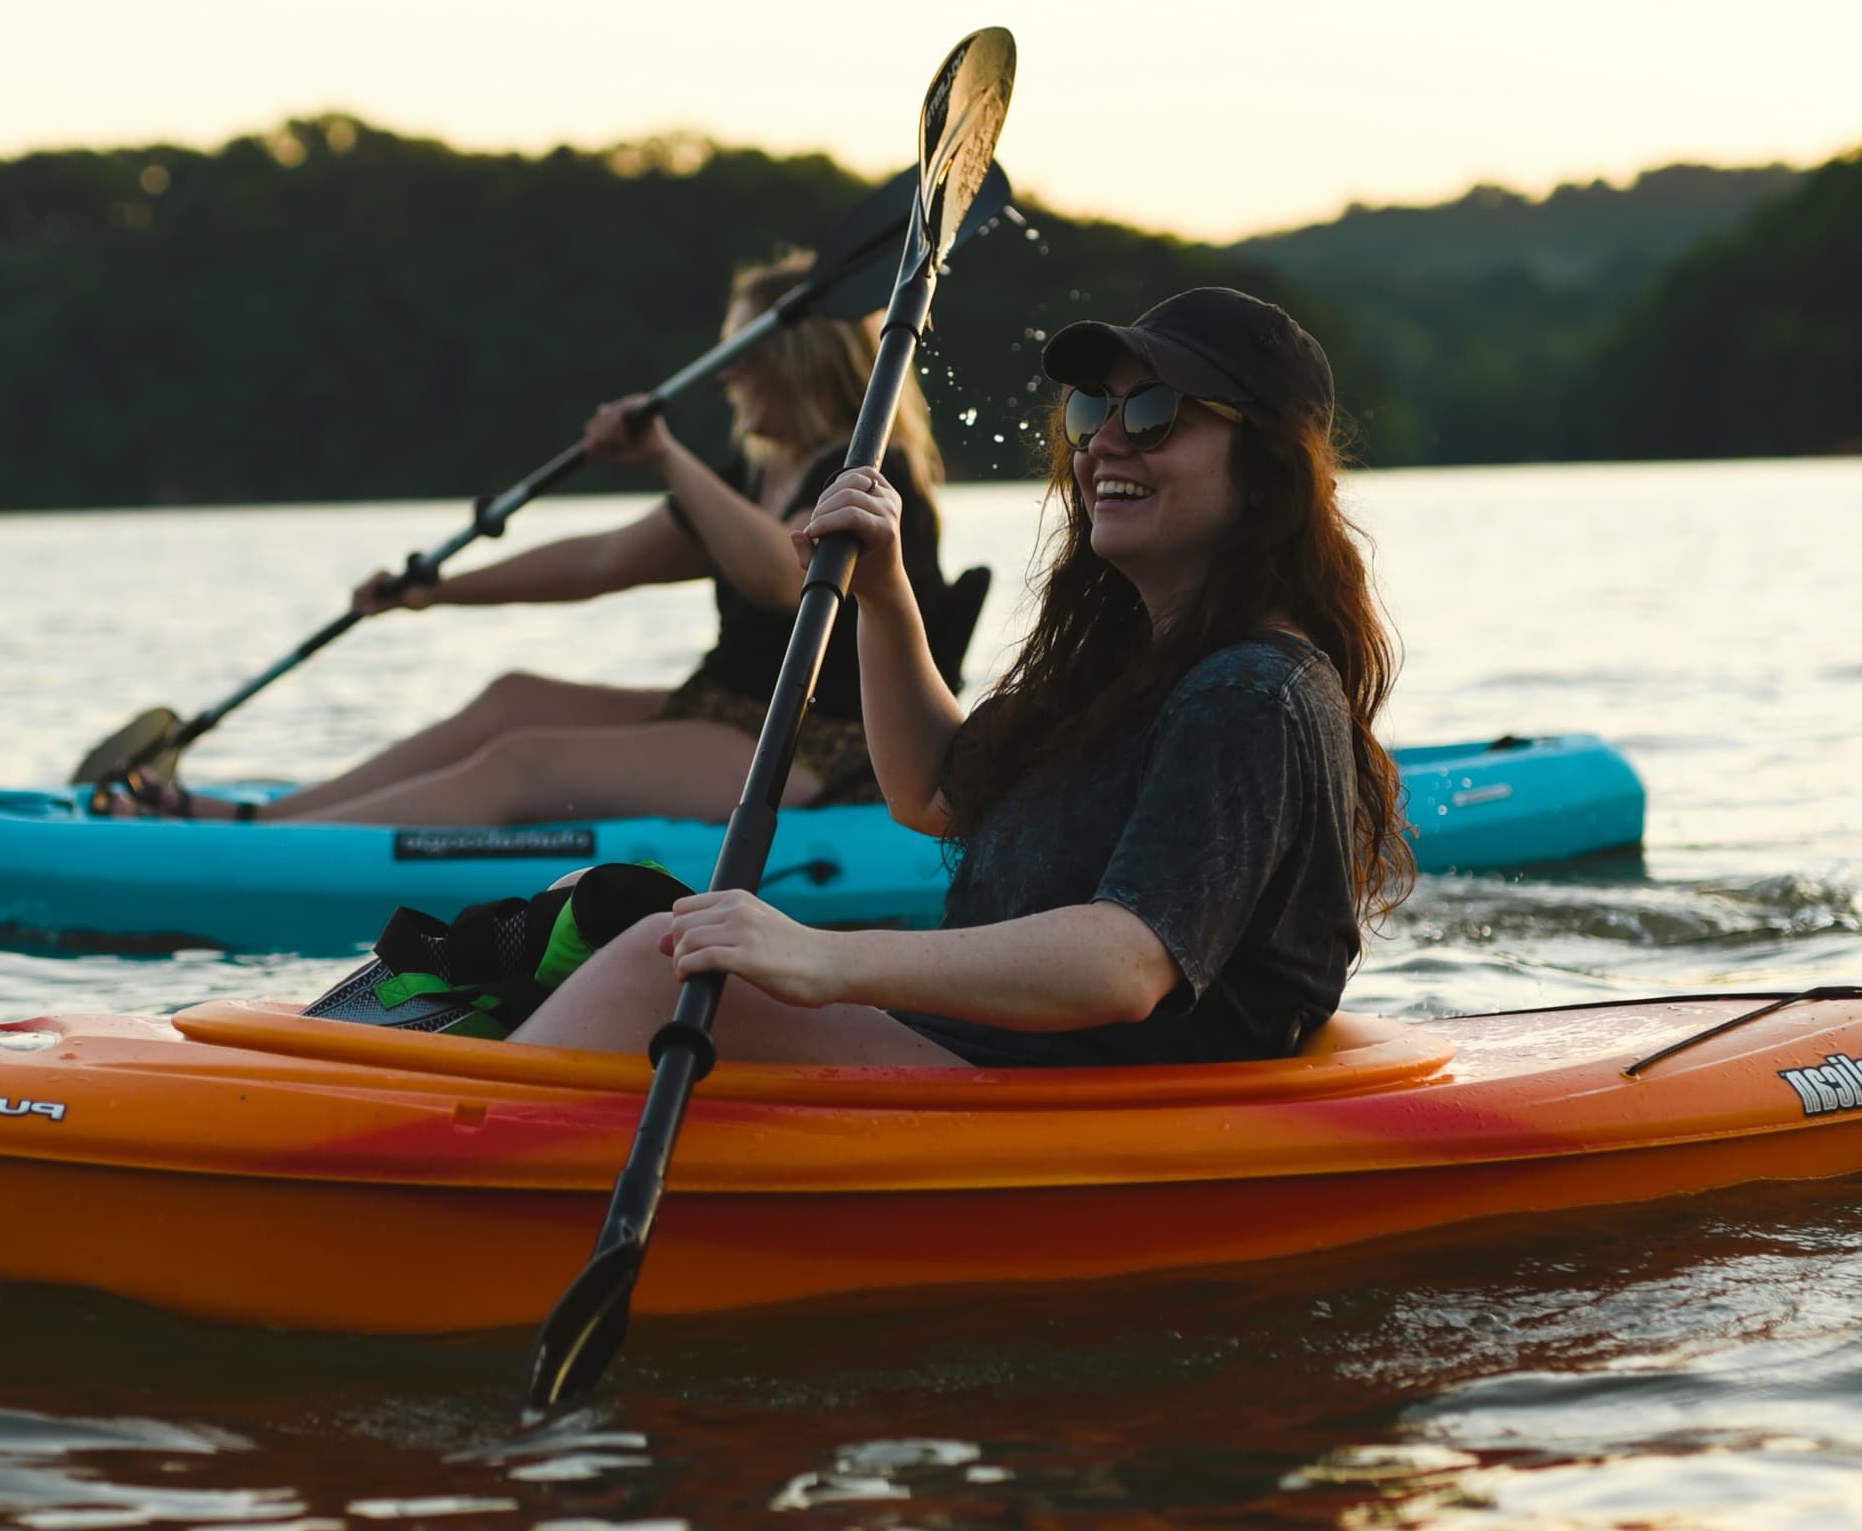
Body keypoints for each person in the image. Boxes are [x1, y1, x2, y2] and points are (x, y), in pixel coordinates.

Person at [515, 286, 1409, 1068]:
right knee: (591, 904)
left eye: (1155, 415)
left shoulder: (1250, 692)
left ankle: (422, 1157)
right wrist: (885, 597)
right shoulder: (1128, 666)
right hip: (993, 1053)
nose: (1105, 444)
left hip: (1083, 1096)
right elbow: (932, 791)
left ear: (1265, 474)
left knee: (653, 962)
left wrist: (824, 958)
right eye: (1093, 411)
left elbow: (1125, 963)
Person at [182, 249, 952, 826]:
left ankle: (278, 845)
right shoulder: (749, 478)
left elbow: (786, 578)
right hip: (724, 710)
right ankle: (263, 821)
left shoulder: (873, 482)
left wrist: (664, 455)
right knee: (514, 698)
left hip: (824, 746)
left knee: (526, 762)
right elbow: (598, 560)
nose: (726, 377)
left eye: (740, 354)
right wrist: (435, 592)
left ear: (792, 364)